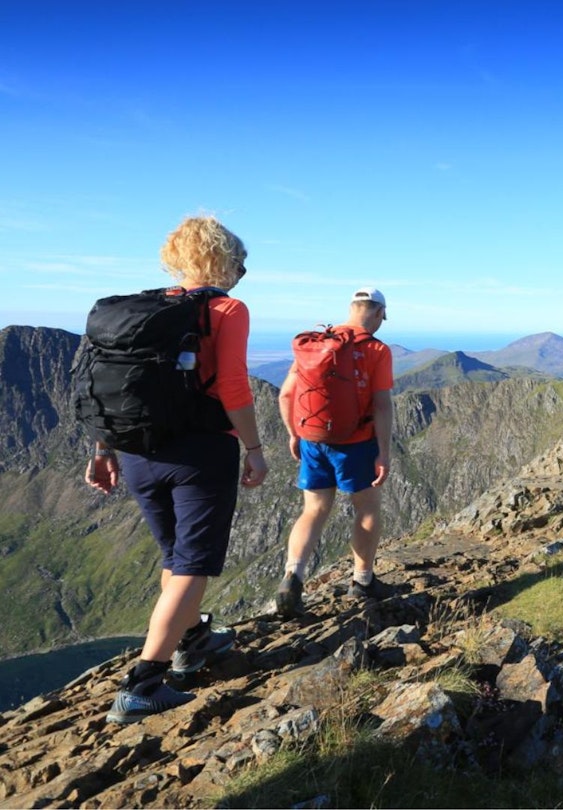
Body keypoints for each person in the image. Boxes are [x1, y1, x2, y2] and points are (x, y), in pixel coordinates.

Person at [84, 214, 269, 723]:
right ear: (223, 259)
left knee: (173, 553)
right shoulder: (226, 309)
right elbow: (232, 385)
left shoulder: (143, 311)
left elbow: (109, 388)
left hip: (137, 453)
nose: (242, 270)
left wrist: (103, 450)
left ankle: (194, 640)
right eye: (240, 260)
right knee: (192, 563)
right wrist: (254, 448)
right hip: (199, 454)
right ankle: (144, 683)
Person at [274, 287, 395, 617]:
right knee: (367, 508)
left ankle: (292, 576)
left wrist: (294, 434)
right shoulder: (375, 349)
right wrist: (383, 452)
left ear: (352, 308)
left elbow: (286, 395)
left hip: (313, 439)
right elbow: (382, 405)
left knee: (313, 509)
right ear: (378, 313)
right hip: (357, 443)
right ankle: (363, 581)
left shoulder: (316, 343)